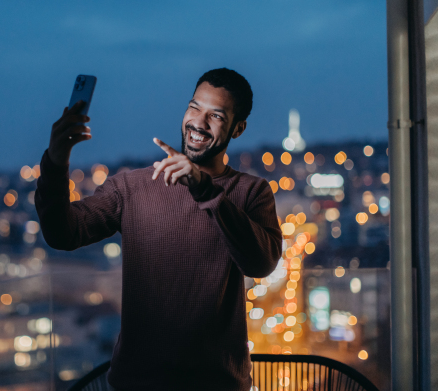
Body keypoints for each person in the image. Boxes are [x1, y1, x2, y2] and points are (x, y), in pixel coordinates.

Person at [35, 68, 282, 391]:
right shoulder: (131, 187)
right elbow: (62, 234)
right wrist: (56, 159)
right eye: (194, 107)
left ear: (238, 129)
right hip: (137, 384)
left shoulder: (251, 192)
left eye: (216, 116)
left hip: (217, 385)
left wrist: (205, 190)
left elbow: (261, 263)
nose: (199, 122)